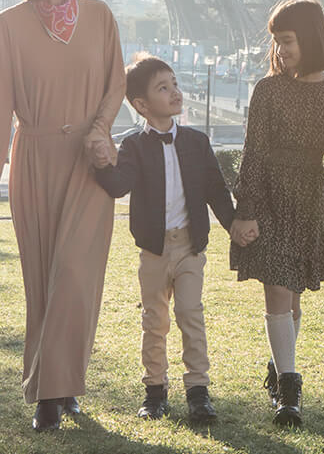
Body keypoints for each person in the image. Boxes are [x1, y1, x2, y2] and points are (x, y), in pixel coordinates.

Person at [0, 0, 126, 432]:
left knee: (75, 279)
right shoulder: (9, 25)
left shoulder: (102, 17)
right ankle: (54, 391)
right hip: (35, 160)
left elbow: (116, 84)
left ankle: (54, 388)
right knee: (43, 279)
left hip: (89, 164)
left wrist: (101, 130)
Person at [230, 0, 324, 428]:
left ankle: (278, 368)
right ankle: (289, 389)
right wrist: (245, 211)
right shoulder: (266, 90)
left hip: (307, 199)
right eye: (276, 42)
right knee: (277, 292)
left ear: (310, 37)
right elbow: (253, 155)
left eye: (287, 40)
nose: (280, 50)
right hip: (268, 197)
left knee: (293, 293)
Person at [92, 53, 242, 425]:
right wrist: (100, 164)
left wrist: (234, 225)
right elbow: (119, 185)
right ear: (142, 105)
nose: (175, 92)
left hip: (191, 246)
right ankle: (154, 391)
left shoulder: (196, 141)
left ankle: (198, 392)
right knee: (154, 320)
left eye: (174, 83)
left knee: (191, 315)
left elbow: (216, 190)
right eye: (163, 88)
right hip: (154, 251)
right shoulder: (134, 146)